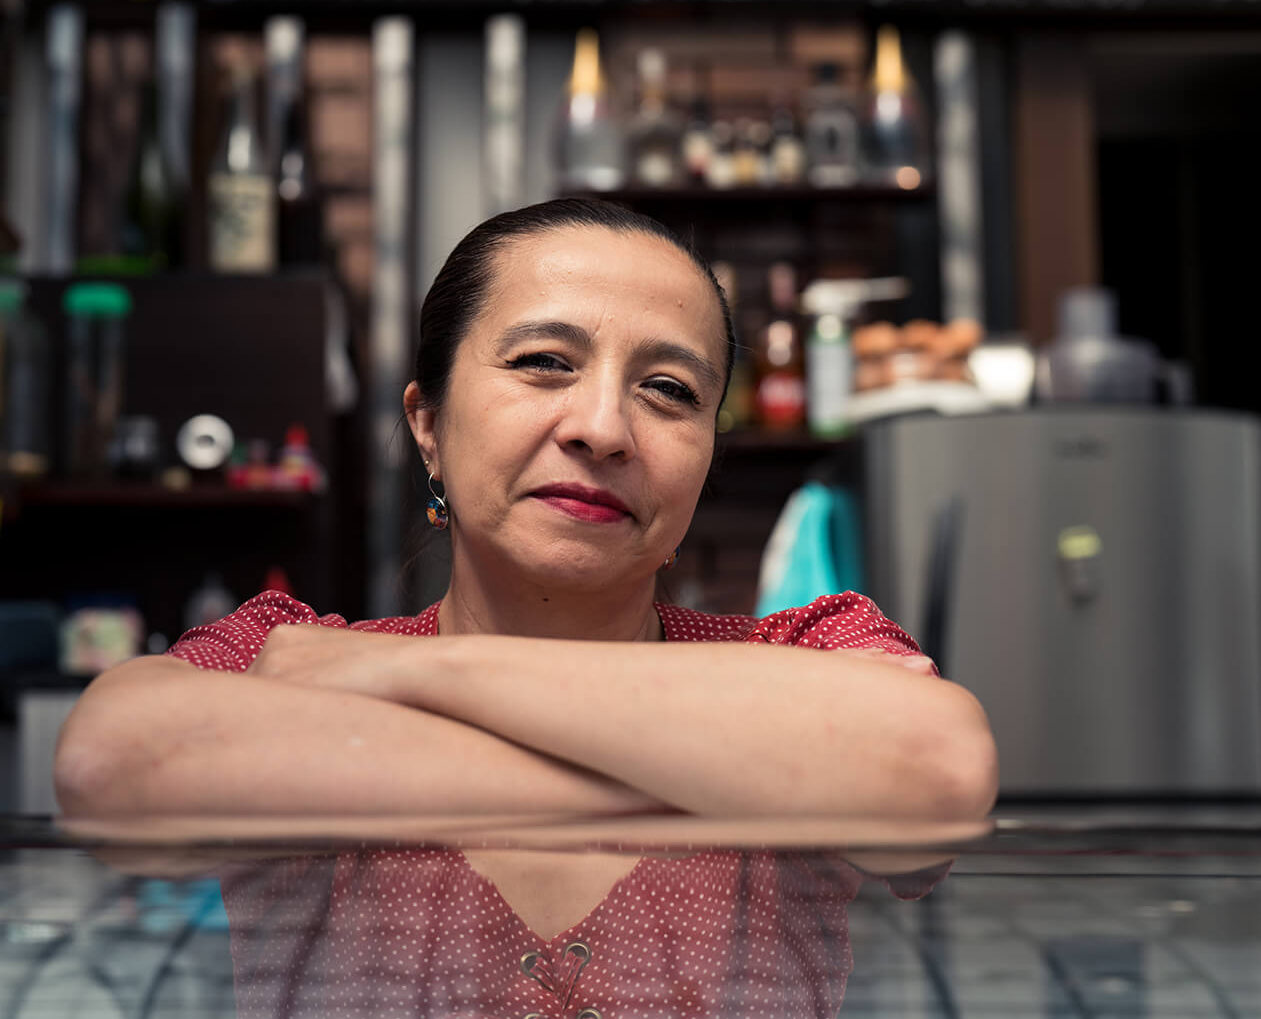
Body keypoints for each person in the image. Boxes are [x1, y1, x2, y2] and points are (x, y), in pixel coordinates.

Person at [54, 197, 997, 822]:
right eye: (544, 361)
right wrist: (726, 776)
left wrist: (409, 674)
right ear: (428, 423)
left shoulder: (320, 670)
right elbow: (110, 763)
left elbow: (941, 773)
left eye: (669, 389)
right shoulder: (271, 643)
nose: (603, 427)